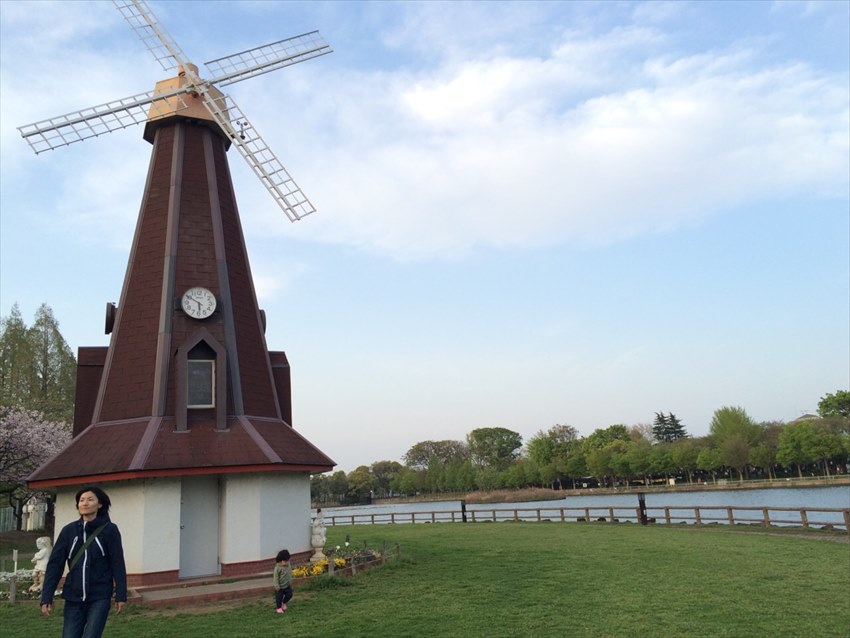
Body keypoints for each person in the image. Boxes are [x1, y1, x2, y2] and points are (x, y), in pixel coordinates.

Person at [40, 485, 127, 638]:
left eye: (90, 499)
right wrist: (46, 596)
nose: (85, 503)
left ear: (100, 504)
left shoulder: (109, 530)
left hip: (99, 596)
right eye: (81, 500)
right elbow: (55, 565)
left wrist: (121, 595)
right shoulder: (69, 531)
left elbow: (117, 563)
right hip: (73, 597)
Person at [273, 549, 293, 613]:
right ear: (280, 560)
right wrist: (277, 586)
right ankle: (279, 608)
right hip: (279, 587)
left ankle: (283, 603)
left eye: (288, 560)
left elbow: (289, 573)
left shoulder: (288, 565)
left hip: (287, 585)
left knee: (290, 594)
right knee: (279, 598)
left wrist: (290, 581)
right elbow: (275, 578)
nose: (287, 562)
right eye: (285, 561)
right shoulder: (277, 568)